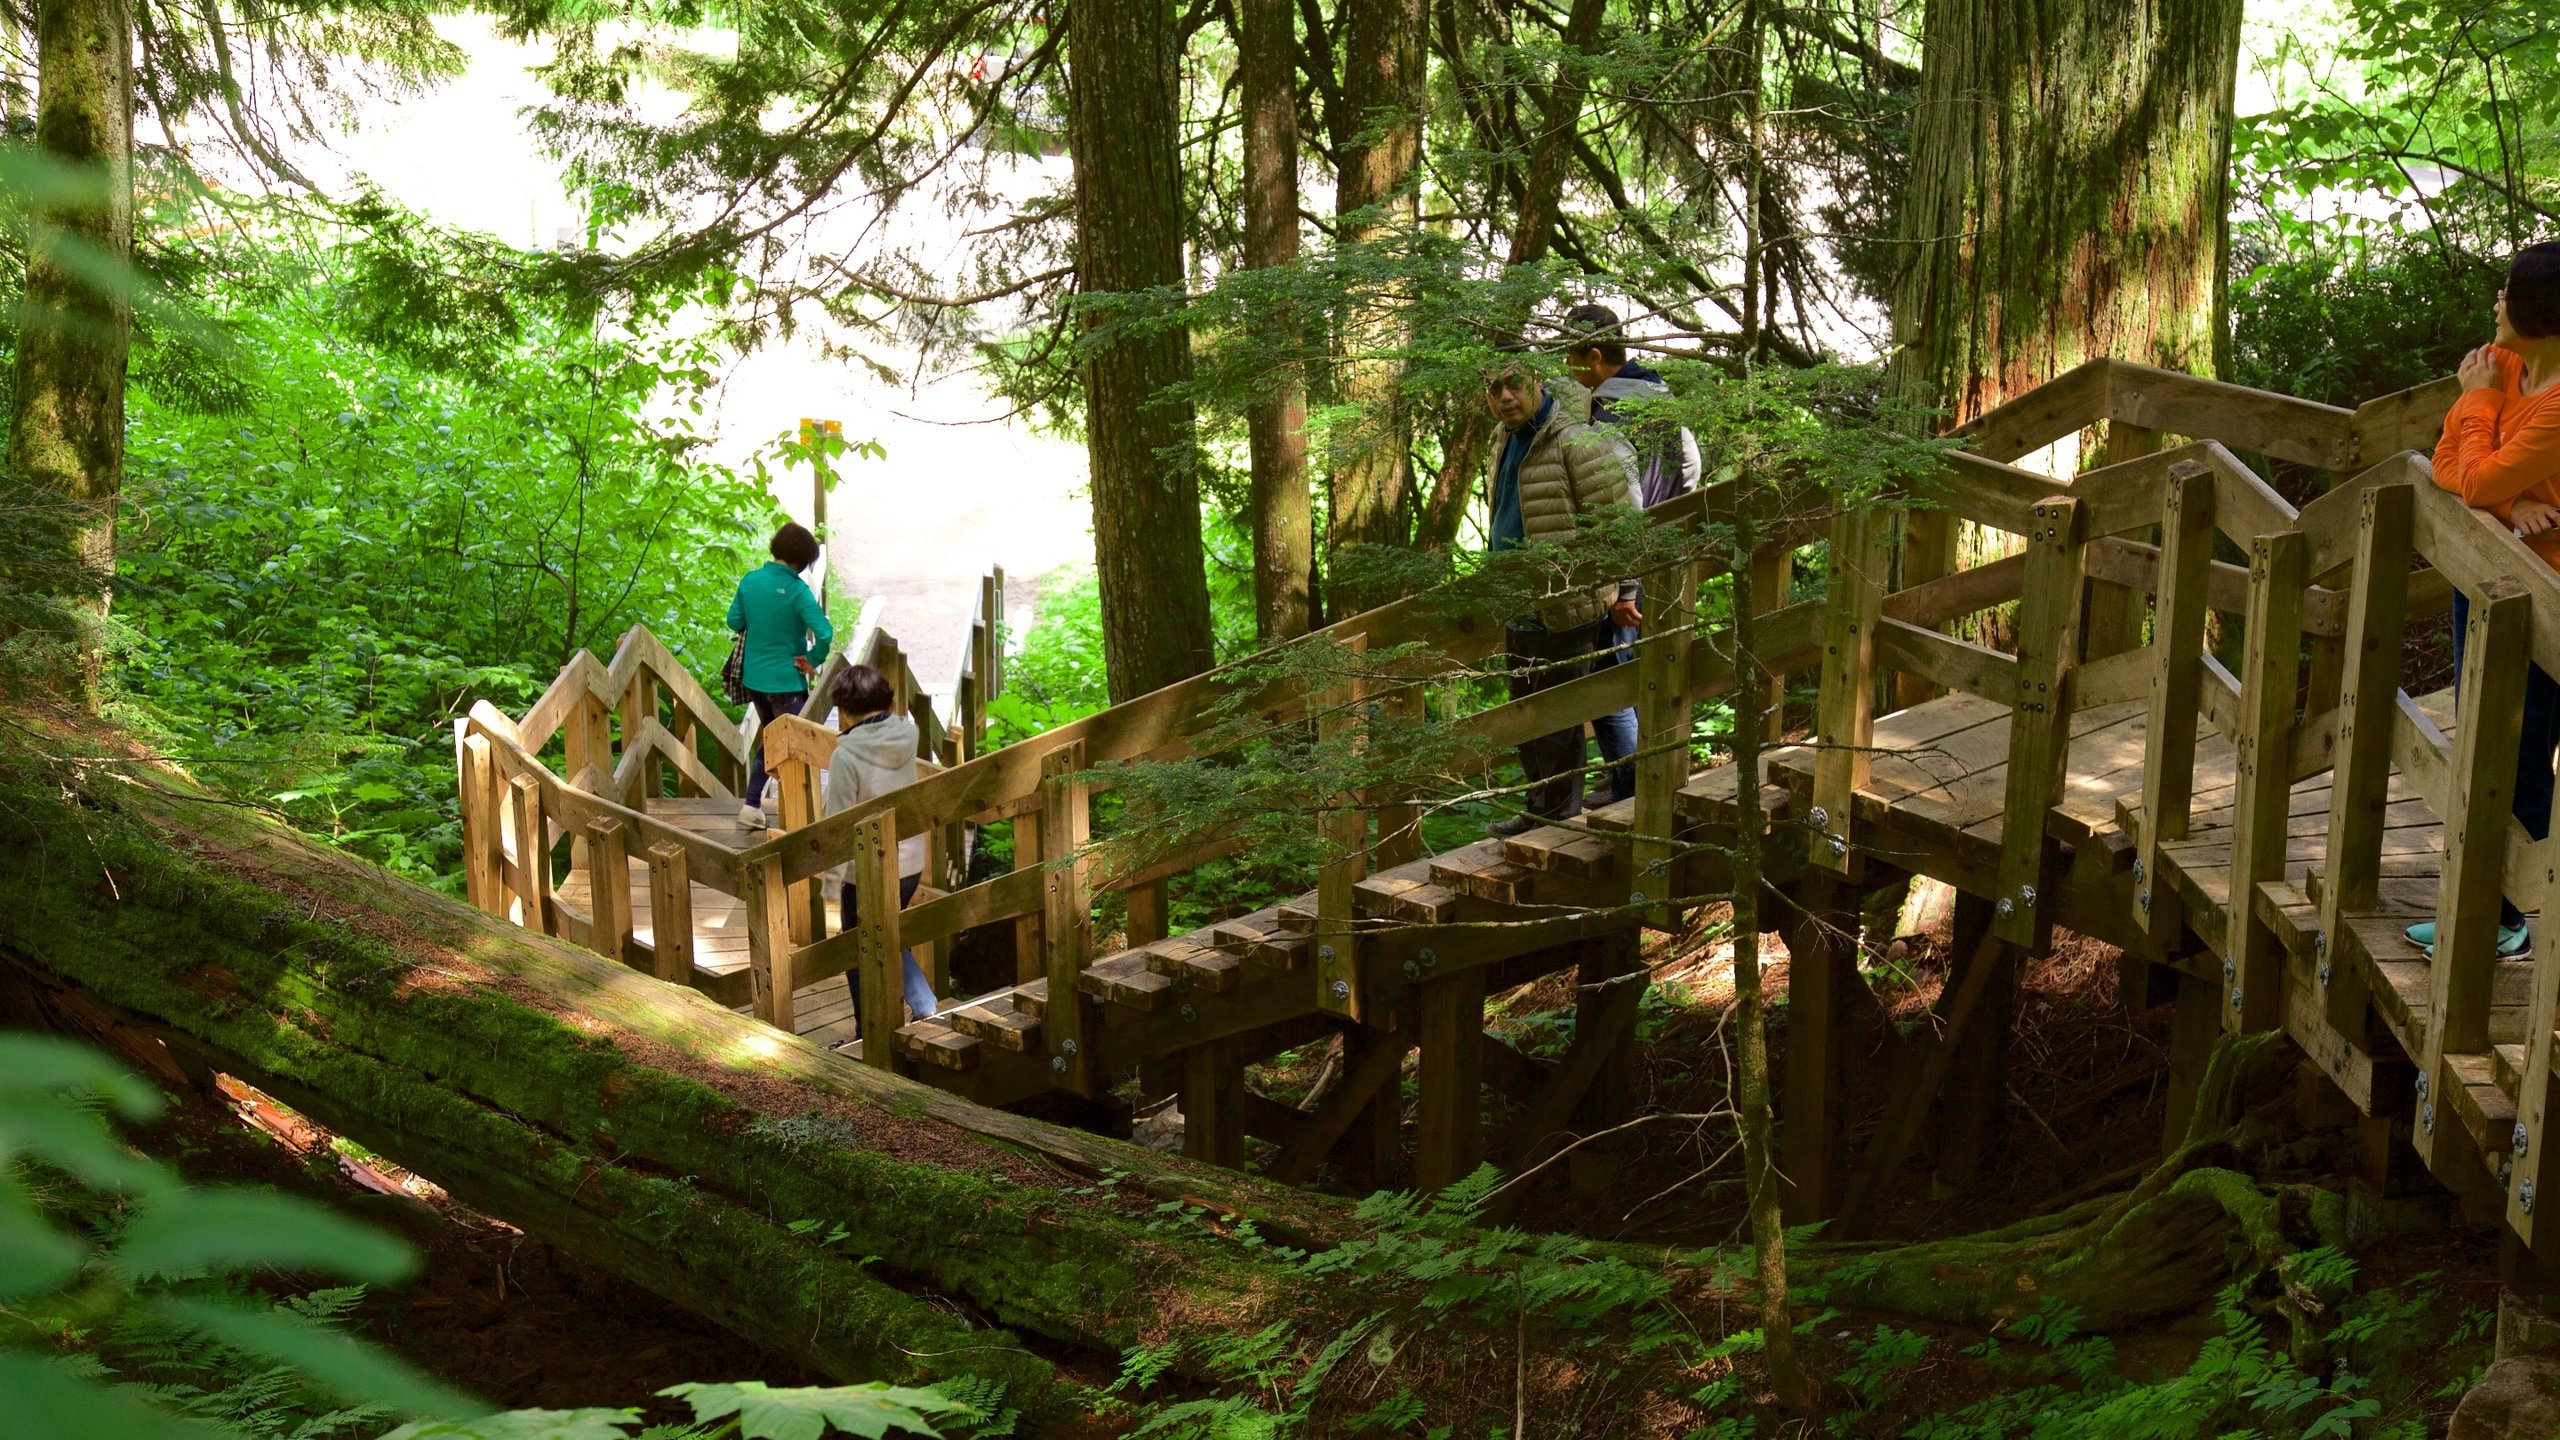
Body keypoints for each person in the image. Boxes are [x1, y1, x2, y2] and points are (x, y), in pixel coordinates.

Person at [2406, 241, 2560, 960]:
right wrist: (2506, 504)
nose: (2497, 301)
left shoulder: (2550, 402)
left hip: (2546, 601)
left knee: (2521, 752)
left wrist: (2476, 405)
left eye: (2508, 291)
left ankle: (2511, 919)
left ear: (2541, 312)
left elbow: (2469, 477)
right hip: (2488, 577)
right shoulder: (2500, 363)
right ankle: (2483, 910)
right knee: (2480, 742)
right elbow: (2447, 463)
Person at [1481, 349, 1642, 839]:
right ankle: (1540, 808)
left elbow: (1616, 522)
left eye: (1515, 384)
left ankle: (1555, 818)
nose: (1505, 396)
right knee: (1525, 715)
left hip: (1566, 603)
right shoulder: (1501, 439)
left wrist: (1626, 590)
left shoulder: (1575, 441)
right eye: (1494, 388)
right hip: (1517, 604)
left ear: (1537, 382)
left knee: (1558, 718)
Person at [1565, 303, 1704, 805]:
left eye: (1570, 357)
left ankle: (1631, 786)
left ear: (1594, 355)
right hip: (1662, 550)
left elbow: (1621, 499)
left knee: (1609, 675)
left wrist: (1623, 583)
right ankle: (1648, 772)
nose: (1567, 369)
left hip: (1629, 561)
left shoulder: (1611, 412)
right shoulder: (1659, 395)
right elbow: (1691, 465)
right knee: (1645, 667)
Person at [822, 663, 939, 1022]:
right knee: (887, 931)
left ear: (843, 711)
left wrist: (830, 882)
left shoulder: (846, 756)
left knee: (859, 946)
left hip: (867, 869)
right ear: (889, 703)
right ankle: (923, 1004)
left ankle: (868, 1028)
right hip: (910, 862)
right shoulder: (908, 735)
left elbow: (837, 823)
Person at [727, 522, 833, 828]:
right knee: (789, 743)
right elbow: (824, 632)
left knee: (774, 738)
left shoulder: (751, 581)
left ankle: (754, 805)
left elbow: (734, 620)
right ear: (802, 559)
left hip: (755, 680)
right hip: (786, 681)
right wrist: (812, 659)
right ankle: (792, 815)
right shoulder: (798, 592)